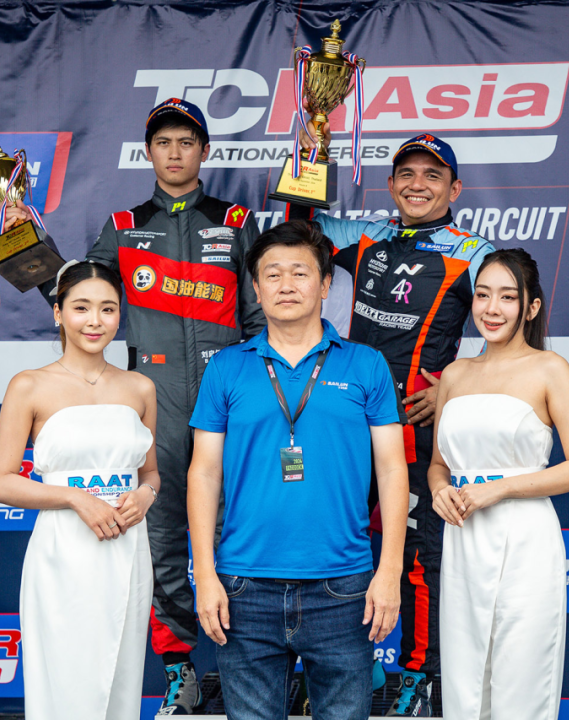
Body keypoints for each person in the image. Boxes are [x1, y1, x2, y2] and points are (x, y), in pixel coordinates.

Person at [5, 98, 264, 713]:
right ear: (148, 152)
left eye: (186, 142)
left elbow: (261, 315)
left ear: (205, 150)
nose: (175, 153)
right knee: (162, 537)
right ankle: (179, 670)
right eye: (163, 142)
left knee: (243, 533)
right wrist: (19, 235)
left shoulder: (235, 221)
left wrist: (263, 397)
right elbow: (74, 290)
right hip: (155, 400)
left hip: (231, 400)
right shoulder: (124, 225)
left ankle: (249, 668)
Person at [290, 130, 495, 714]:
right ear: (390, 184)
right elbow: (300, 231)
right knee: (332, 543)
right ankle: (339, 666)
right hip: (349, 420)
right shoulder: (366, 236)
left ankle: (419, 675)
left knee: (418, 558)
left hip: (414, 426)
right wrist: (312, 151)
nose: (417, 184)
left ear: (455, 188)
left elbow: (510, 326)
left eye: (433, 175)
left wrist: (454, 385)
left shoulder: (475, 252)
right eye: (407, 173)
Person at [187, 219, 409, 720]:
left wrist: (389, 570)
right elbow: (203, 474)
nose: (286, 285)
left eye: (300, 273)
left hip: (344, 586)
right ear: (256, 288)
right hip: (243, 586)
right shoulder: (226, 367)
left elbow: (393, 470)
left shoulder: (366, 364)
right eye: (272, 274)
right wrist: (206, 573)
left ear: (325, 285)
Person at [427, 248, 569, 720]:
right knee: (464, 679)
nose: (492, 308)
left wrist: (499, 488)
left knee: (522, 679)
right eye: (483, 295)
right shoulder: (455, 374)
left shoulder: (551, 368)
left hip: (525, 539)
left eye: (507, 296)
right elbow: (439, 465)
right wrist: (441, 489)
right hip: (463, 539)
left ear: (531, 307)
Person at [0, 260, 161, 720]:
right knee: (66, 686)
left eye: (108, 308)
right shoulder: (29, 385)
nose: (95, 320)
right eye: (81, 307)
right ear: (58, 312)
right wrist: (75, 497)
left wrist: (145, 496)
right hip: (63, 554)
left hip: (127, 550)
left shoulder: (140, 387)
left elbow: (150, 474)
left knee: (120, 680)